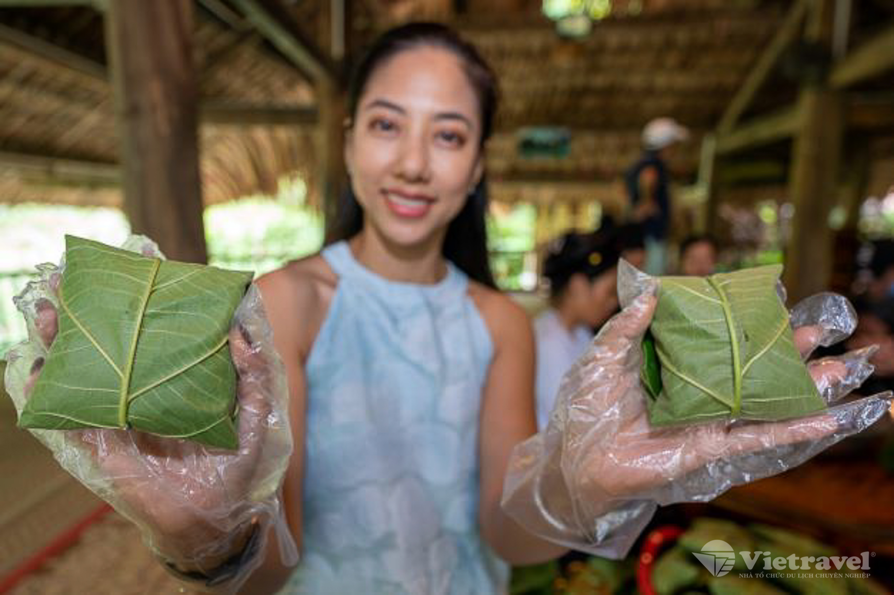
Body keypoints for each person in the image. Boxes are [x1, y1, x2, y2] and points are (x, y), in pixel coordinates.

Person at [18, 22, 890, 595]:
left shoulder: (497, 321)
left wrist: (570, 489)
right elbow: (273, 566)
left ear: (474, 169)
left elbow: (502, 538)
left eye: (448, 135)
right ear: (350, 138)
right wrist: (209, 538)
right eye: (388, 125)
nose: (413, 163)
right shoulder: (288, 302)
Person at [534, 229, 620, 430]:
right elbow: (568, 422)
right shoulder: (548, 342)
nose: (613, 302)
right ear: (578, 286)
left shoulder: (580, 333)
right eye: (609, 292)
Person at [624, 117, 689, 275]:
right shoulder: (653, 165)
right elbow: (648, 177)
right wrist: (648, 200)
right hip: (651, 235)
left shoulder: (639, 164)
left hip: (643, 235)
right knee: (652, 280)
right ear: (666, 145)